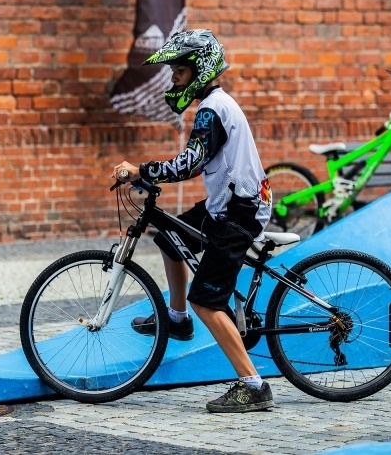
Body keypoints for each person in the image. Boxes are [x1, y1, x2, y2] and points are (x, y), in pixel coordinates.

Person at [112, 29, 274, 413]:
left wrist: (141, 170)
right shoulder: (214, 104)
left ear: (199, 71)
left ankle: (254, 385)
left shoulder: (212, 110)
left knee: (208, 301)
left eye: (178, 72)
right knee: (169, 238)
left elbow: (190, 162)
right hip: (229, 203)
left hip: (240, 213)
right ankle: (178, 318)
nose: (173, 80)